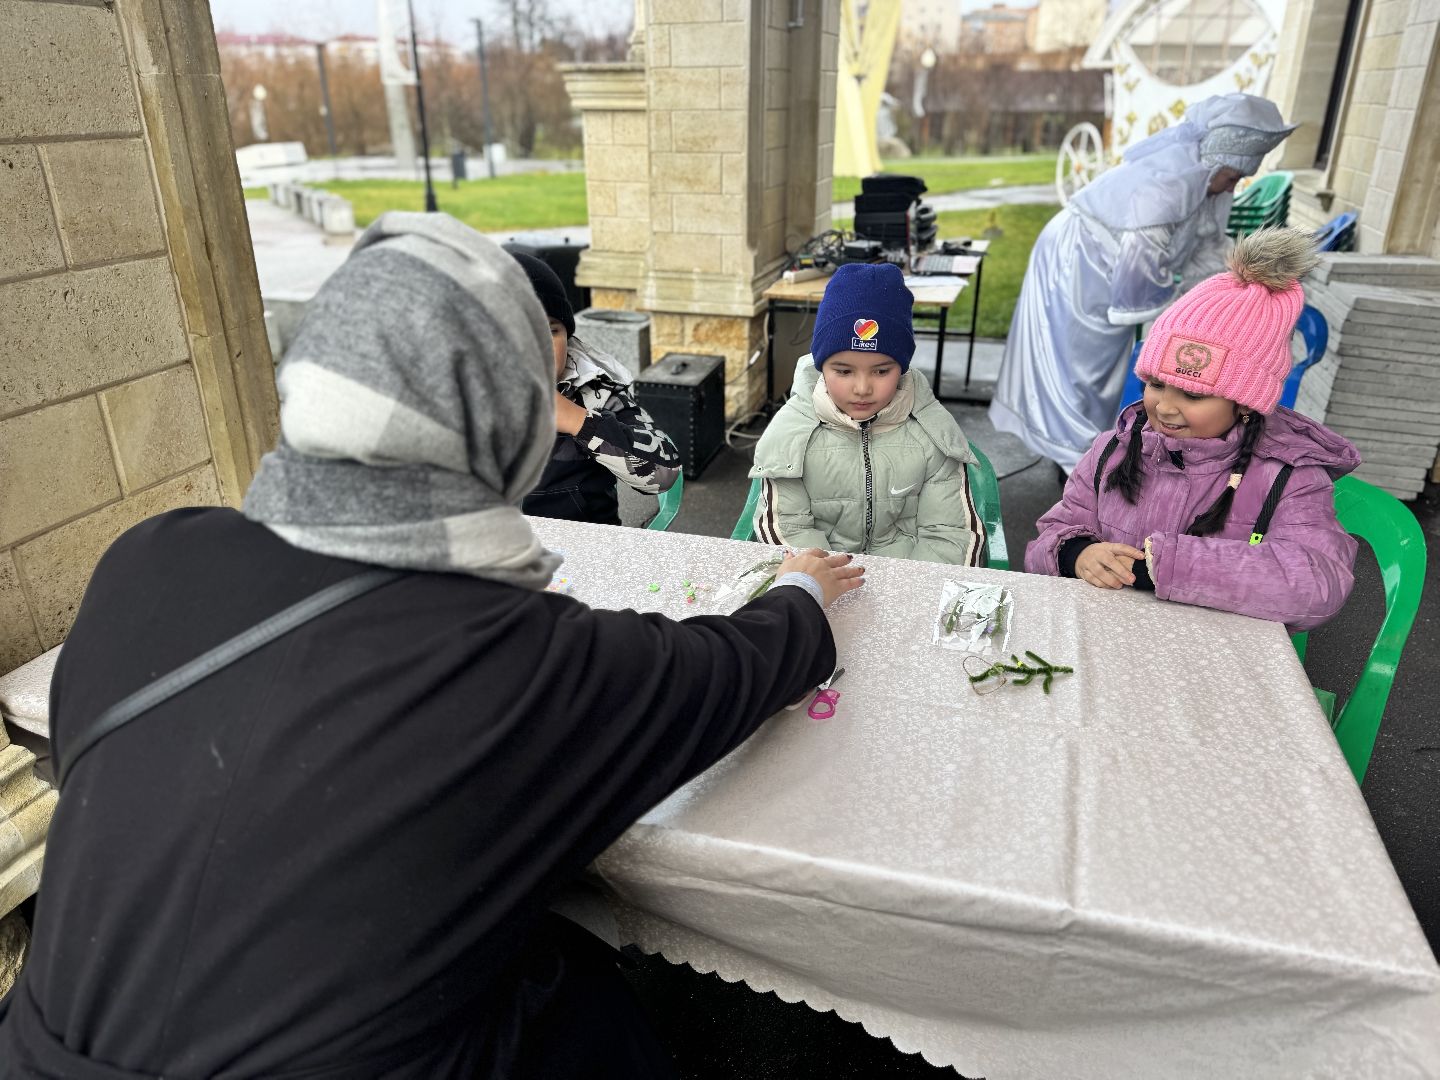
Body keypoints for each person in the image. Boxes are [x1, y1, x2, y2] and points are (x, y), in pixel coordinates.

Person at [0, 213, 865, 1078]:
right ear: (513, 426)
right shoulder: (515, 658)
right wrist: (802, 590)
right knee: (583, 1000)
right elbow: (728, 671)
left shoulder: (151, 556)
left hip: (37, 1051)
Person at [1026, 228, 1359, 634]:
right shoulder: (1113, 450)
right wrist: (1075, 554)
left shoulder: (1289, 476)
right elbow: (1051, 535)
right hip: (1105, 636)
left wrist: (1167, 567)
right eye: (1156, 384)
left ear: (1245, 401)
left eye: (1193, 395)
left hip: (1219, 652)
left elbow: (1318, 583)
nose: (1165, 407)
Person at [990, 93, 1298, 472]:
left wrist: (1231, 294)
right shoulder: (1166, 187)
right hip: (1078, 261)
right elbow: (1140, 271)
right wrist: (1179, 315)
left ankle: (1084, 454)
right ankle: (1078, 460)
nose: (1231, 187)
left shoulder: (1204, 187)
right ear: (1216, 163)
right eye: (1232, 177)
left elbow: (1205, 248)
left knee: (1100, 368)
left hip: (1107, 265)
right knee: (1078, 366)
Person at [750, 262, 986, 566]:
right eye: (843, 371)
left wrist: (908, 589)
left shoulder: (934, 436)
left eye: (881, 371)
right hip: (822, 583)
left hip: (910, 582)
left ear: (902, 367)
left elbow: (951, 535)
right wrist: (828, 581)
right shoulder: (789, 436)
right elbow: (788, 530)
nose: (862, 388)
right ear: (821, 366)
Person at [512, 253, 681, 525]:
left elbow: (665, 472)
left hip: (585, 546)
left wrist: (578, 420)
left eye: (550, 330)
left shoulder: (596, 392)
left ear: (567, 336)